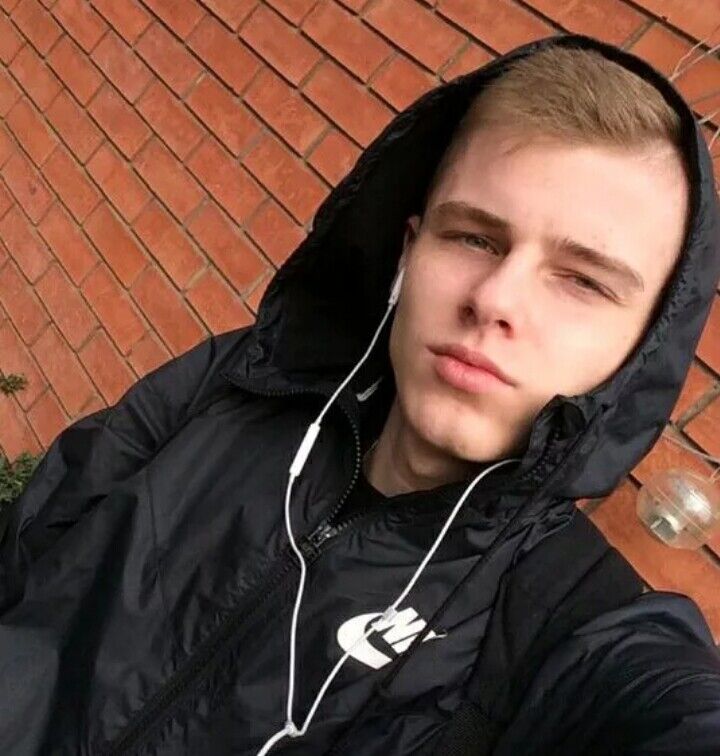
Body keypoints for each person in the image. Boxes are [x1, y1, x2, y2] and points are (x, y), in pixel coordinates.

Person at [0, 31, 719, 756]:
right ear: (410, 250)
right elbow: (34, 539)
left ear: (640, 350)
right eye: (474, 238)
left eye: (585, 281)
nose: (495, 298)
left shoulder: (568, 624)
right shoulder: (237, 385)